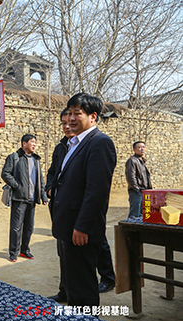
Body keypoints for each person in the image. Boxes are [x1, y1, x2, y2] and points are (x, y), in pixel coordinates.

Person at [49, 93, 116, 308]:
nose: (70, 118)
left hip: (80, 230)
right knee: (73, 281)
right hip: (68, 224)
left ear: (93, 117)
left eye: (77, 113)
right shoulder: (72, 144)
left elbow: (96, 191)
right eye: (69, 113)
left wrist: (83, 226)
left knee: (83, 287)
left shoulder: (99, 143)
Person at [1, 134, 48, 262]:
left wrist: (43, 195)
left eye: (35, 143)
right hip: (19, 198)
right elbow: (5, 173)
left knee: (29, 227)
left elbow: (41, 180)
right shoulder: (14, 157)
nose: (34, 145)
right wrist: (17, 185)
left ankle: (25, 250)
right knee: (16, 227)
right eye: (32, 142)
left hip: (32, 200)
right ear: (24, 143)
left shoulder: (36, 160)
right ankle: (13, 252)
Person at [125, 141, 152, 219]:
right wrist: (137, 189)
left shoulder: (142, 161)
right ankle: (130, 230)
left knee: (142, 214)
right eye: (139, 147)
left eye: (143, 147)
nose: (142, 149)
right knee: (135, 214)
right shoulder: (132, 160)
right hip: (136, 191)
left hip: (144, 191)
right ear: (134, 150)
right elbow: (131, 177)